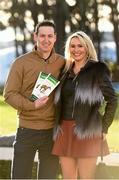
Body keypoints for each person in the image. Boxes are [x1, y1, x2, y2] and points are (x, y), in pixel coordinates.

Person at [3, 20, 65, 179]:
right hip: (26, 131)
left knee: (48, 177)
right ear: (35, 37)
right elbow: (9, 94)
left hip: (51, 132)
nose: (46, 40)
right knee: (20, 177)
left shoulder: (62, 63)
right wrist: (32, 105)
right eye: (42, 35)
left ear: (55, 38)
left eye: (50, 36)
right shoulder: (20, 63)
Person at [52, 31, 117, 179]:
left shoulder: (98, 69)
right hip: (64, 131)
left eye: (80, 46)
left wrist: (104, 127)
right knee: (68, 178)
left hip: (88, 131)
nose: (76, 50)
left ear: (87, 47)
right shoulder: (65, 71)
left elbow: (112, 99)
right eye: (72, 46)